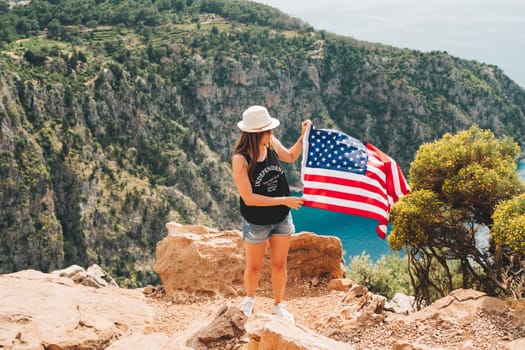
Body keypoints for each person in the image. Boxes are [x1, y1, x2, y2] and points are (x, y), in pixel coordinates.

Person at [231, 105, 311, 323]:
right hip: (256, 221)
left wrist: (303, 136)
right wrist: (285, 200)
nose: (272, 133)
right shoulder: (241, 159)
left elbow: (292, 156)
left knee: (279, 264)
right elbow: (249, 198)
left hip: (281, 218)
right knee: (254, 267)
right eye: (268, 130)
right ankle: (249, 300)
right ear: (257, 133)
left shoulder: (272, 145)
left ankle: (278, 305)